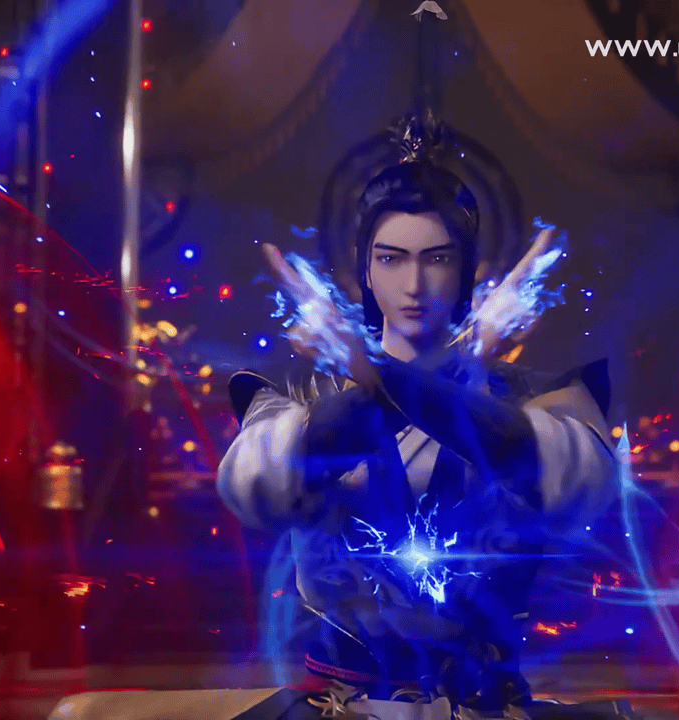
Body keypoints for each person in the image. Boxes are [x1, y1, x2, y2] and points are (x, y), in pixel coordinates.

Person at [217, 155, 618, 715]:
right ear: (366, 271)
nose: (415, 285)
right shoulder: (302, 393)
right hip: (342, 703)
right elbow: (252, 485)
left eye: (438, 259)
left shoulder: (534, 397)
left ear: (466, 270)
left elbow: (583, 482)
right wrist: (447, 360)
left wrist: (387, 365)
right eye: (391, 259)